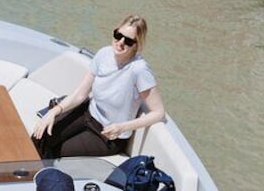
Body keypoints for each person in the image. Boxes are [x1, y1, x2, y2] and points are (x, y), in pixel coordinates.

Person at [32, 15, 165, 159]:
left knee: (53, 152)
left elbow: (158, 113)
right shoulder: (104, 54)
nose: (120, 42)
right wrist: (54, 112)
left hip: (107, 135)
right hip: (87, 114)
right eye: (118, 35)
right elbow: (80, 94)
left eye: (128, 41)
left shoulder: (139, 70)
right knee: (40, 137)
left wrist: (122, 127)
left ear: (137, 45)